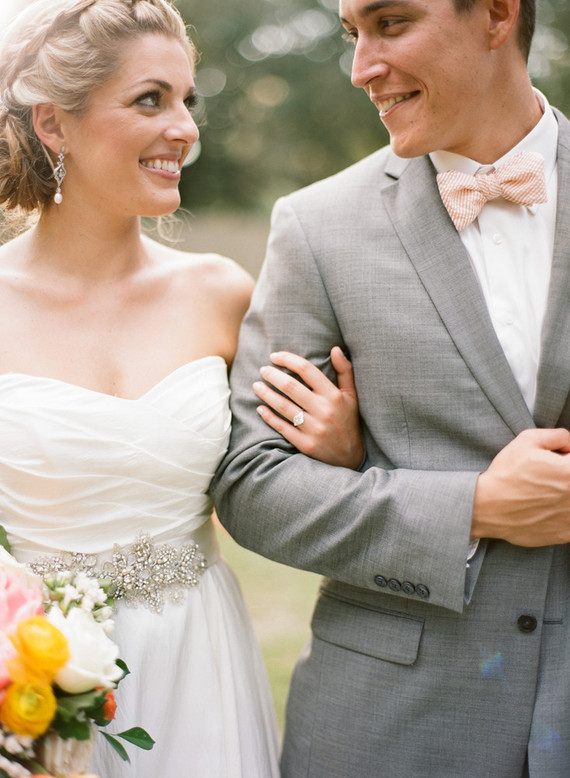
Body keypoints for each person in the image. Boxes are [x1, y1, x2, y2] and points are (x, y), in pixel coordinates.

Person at [0, 1, 365, 776]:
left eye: (187, 101)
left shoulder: (223, 294)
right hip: (31, 677)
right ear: (53, 124)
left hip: (200, 660)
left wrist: (339, 446)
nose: (185, 129)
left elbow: (281, 481)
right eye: (150, 100)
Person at [212, 0, 570, 774]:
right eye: (353, 34)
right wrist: (471, 509)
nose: (361, 68)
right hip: (392, 730)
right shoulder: (316, 228)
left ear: (499, 14)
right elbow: (252, 485)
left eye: (392, 23)